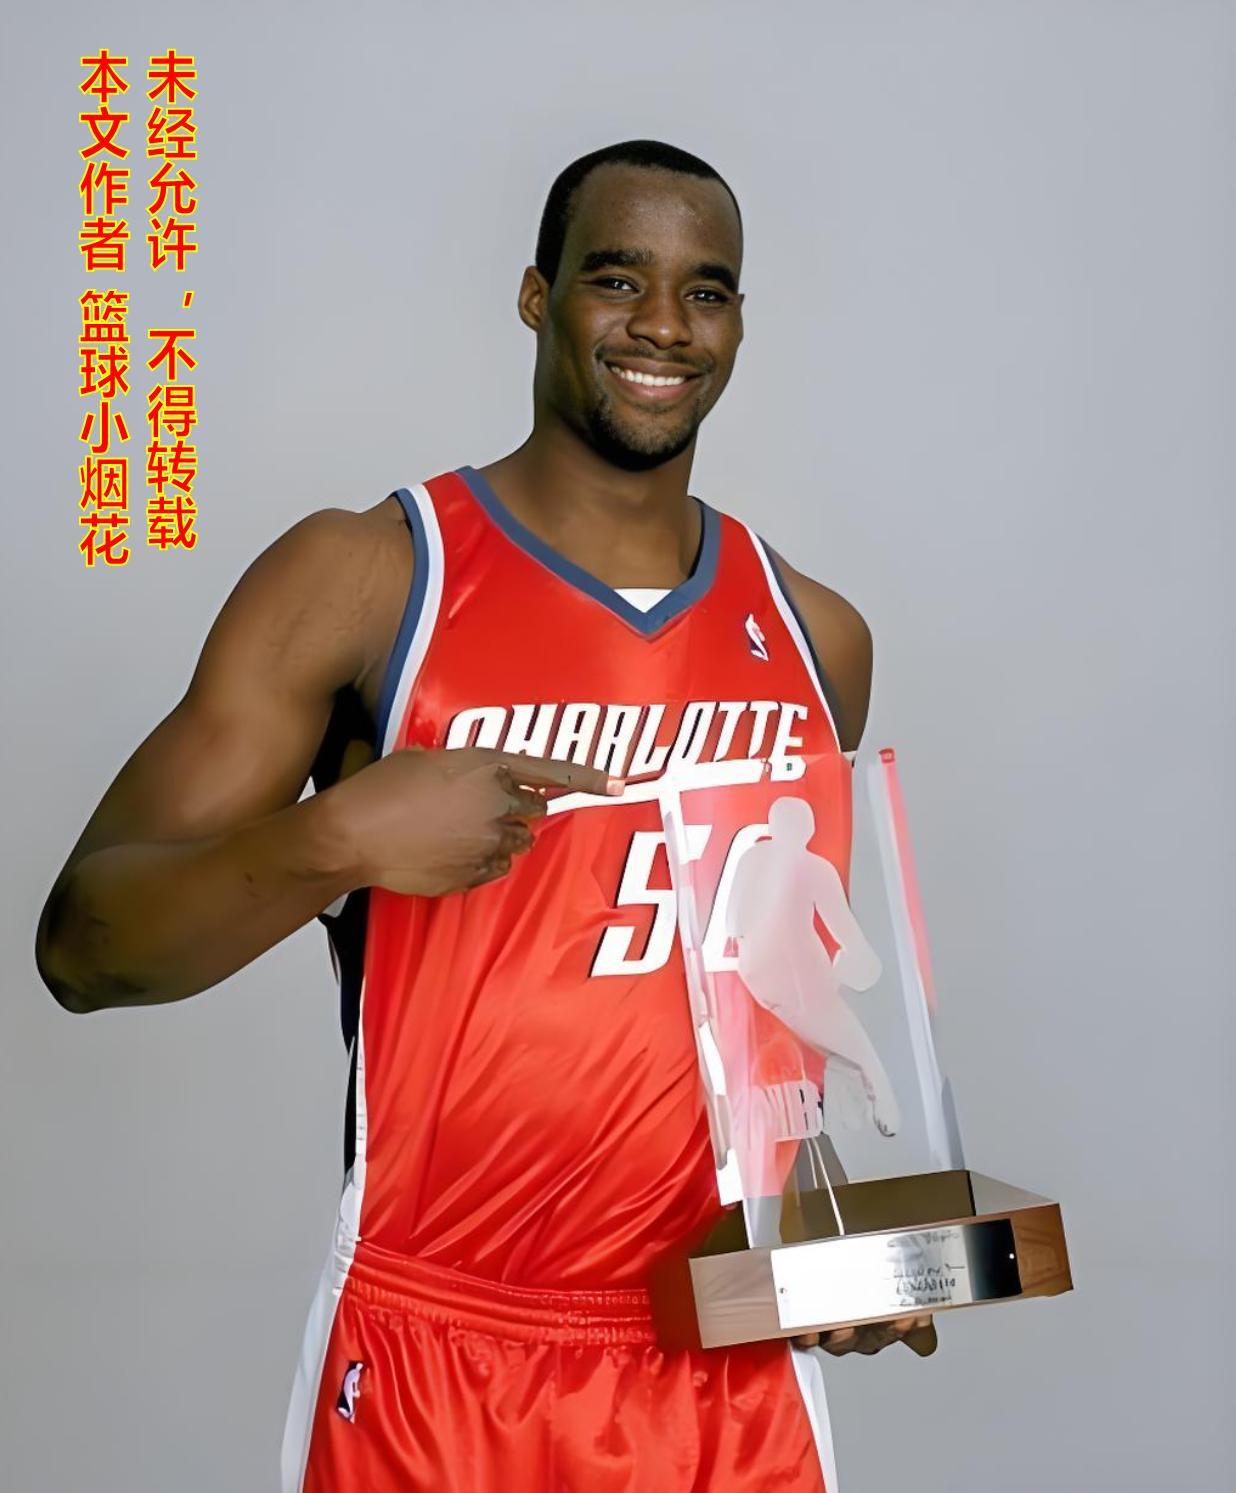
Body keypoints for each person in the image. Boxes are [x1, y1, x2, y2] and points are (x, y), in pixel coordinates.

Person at [35, 138, 934, 1492]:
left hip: (726, 1363)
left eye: (705, 291)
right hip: (437, 1356)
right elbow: (83, 948)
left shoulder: (815, 638)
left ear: (739, 324)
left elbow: (752, 1014)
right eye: (616, 278)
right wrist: (335, 836)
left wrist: (815, 1221)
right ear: (535, 295)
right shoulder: (372, 579)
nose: (662, 325)